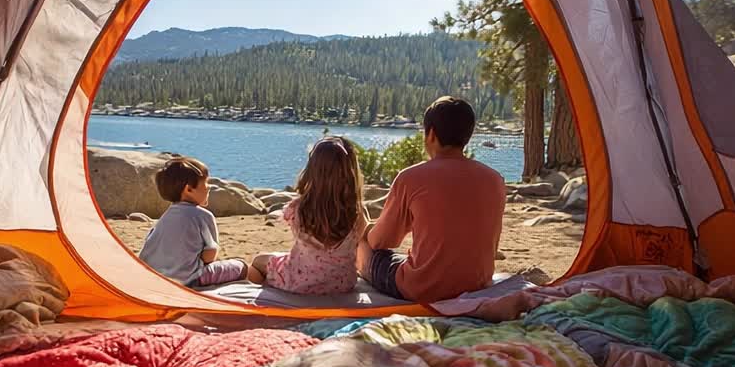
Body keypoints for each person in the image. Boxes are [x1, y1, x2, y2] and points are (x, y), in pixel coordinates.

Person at [356, 96, 505, 302]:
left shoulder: (411, 178)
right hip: (477, 285)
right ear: (468, 135)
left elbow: (382, 241)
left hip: (423, 289)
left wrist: (368, 231)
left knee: (364, 244)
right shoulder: (494, 179)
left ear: (431, 134)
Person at [251, 136, 368, 295]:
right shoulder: (357, 213)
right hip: (342, 284)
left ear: (312, 171)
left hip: (300, 282)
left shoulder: (298, 208)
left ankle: (269, 297)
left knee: (259, 260)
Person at [139, 156, 251, 287]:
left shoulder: (165, 217)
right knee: (241, 266)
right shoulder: (202, 216)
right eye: (205, 183)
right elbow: (210, 255)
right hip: (189, 279)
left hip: (155, 278)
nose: (209, 188)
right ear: (189, 189)